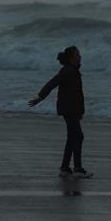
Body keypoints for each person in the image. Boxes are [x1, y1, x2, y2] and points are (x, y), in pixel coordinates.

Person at [28, 46, 88, 177]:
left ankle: (65, 168)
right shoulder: (67, 71)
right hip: (68, 109)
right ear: (71, 58)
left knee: (72, 137)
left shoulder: (73, 71)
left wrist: (80, 112)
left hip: (72, 110)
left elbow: (77, 95)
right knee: (78, 136)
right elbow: (52, 83)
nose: (80, 56)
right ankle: (77, 168)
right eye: (77, 54)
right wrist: (40, 97)